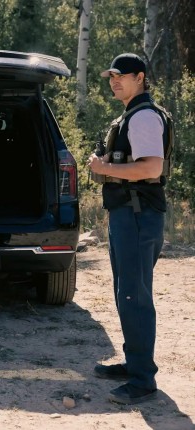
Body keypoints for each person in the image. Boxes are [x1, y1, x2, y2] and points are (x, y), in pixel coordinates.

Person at [88, 53, 169, 405]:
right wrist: (108, 162)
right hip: (128, 213)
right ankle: (135, 364)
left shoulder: (144, 116)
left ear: (140, 77)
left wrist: (104, 169)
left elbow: (150, 169)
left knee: (135, 296)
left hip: (137, 215)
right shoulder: (131, 115)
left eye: (121, 75)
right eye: (111, 77)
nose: (114, 81)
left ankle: (142, 381)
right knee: (128, 293)